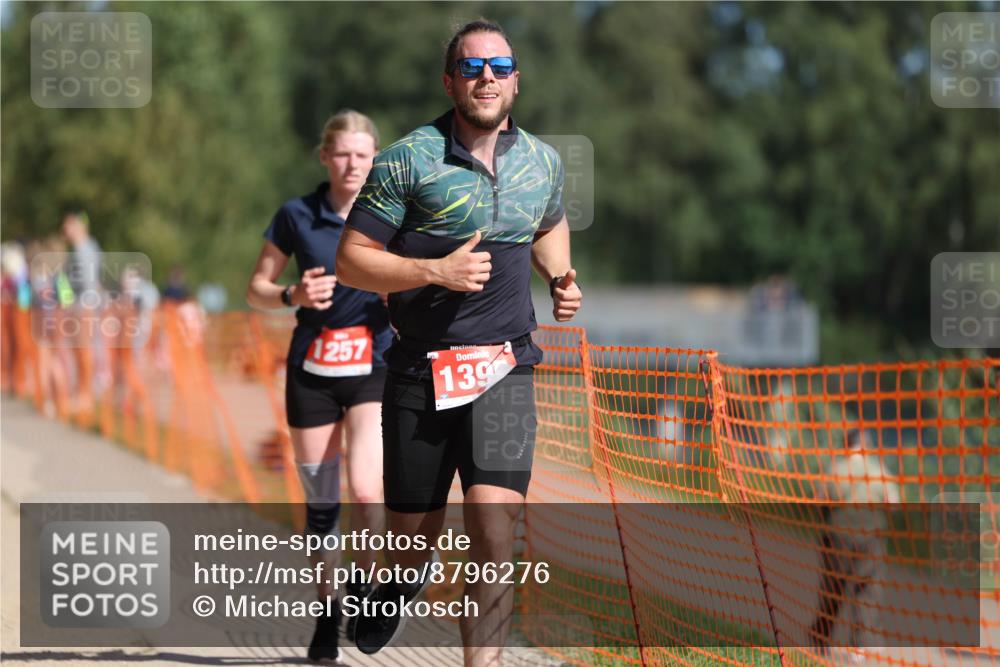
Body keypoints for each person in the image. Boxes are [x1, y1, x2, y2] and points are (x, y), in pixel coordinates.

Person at [336, 19, 582, 665]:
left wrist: (559, 276)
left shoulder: (542, 161)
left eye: (500, 67)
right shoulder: (407, 159)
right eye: (473, 68)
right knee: (411, 538)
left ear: (517, 80)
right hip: (420, 371)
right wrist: (432, 270)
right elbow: (352, 260)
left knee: (494, 531)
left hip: (505, 366)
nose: (487, 78)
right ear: (450, 81)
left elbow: (548, 223)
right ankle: (397, 580)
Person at [247, 110, 391, 663]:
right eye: (343, 154)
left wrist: (393, 295)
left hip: (373, 363)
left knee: (366, 489)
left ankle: (362, 585)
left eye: (363, 154)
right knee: (321, 504)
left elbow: (417, 281)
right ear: (325, 157)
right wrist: (291, 297)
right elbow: (256, 287)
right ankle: (328, 610)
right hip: (311, 370)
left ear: (375, 157)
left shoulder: (389, 217)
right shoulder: (296, 215)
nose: (353, 164)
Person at [809, 429, 901, 661]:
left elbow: (819, 500)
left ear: (846, 445)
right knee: (867, 591)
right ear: (867, 446)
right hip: (871, 538)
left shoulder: (836, 470)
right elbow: (894, 503)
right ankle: (860, 646)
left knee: (832, 589)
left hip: (839, 535)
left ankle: (820, 638)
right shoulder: (880, 471)